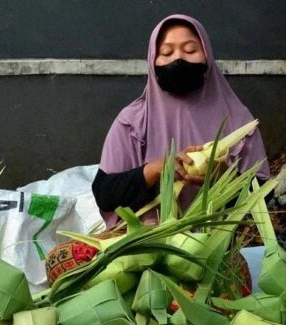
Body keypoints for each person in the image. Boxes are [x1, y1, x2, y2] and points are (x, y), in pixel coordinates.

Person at [93, 14, 270, 227]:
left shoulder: (239, 121)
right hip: (146, 246)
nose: (179, 59)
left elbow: (264, 198)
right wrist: (156, 170)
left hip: (216, 248)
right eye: (167, 52)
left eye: (190, 50)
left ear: (207, 56)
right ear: (153, 61)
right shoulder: (133, 122)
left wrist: (223, 177)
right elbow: (105, 193)